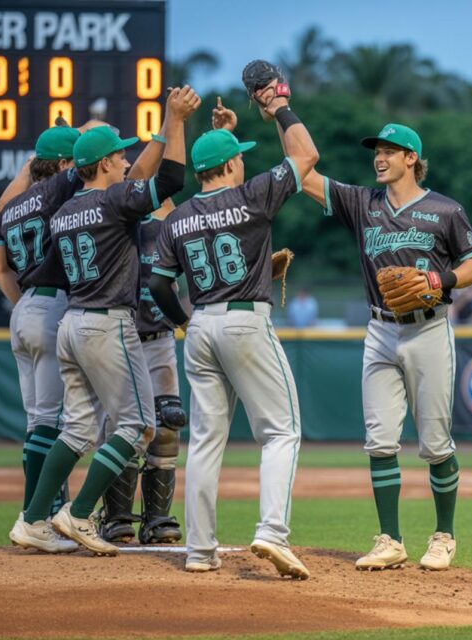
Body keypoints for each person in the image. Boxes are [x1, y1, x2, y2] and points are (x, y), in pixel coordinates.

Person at [8, 86, 199, 556]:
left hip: (70, 322)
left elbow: (39, 269)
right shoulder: (115, 202)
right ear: (105, 164)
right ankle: (76, 515)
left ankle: (32, 520)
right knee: (137, 426)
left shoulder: (65, 211)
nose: (124, 158)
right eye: (118, 154)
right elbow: (170, 179)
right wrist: (174, 122)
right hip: (107, 323)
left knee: (75, 430)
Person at [150, 74, 319, 576]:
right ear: (227, 165)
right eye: (238, 154)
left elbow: (159, 287)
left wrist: (185, 325)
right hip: (246, 320)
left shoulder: (176, 218)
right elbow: (306, 156)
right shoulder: (252, 196)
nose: (244, 159)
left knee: (205, 441)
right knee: (282, 431)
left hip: (199, 325)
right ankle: (271, 532)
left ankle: (199, 552)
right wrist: (280, 109)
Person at [300, 122, 472, 571]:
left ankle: (444, 536)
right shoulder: (362, 203)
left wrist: (438, 279)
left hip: (428, 329)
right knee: (379, 439)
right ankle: (391, 540)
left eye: (389, 151)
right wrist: (280, 111)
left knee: (436, 443)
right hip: (380, 330)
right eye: (376, 152)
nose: (379, 158)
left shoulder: (445, 210)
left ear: (411, 159)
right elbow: (303, 175)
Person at [0, 125, 89, 552]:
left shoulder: (10, 206)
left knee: (36, 422)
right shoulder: (56, 193)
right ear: (65, 164)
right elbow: (82, 168)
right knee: (50, 421)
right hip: (52, 303)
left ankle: (35, 514)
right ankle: (36, 516)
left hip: (24, 307)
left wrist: (25, 304)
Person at [97, 197, 187, 546]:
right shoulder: (114, 218)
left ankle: (157, 519)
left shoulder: (173, 218)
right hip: (121, 335)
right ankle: (117, 517)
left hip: (160, 335)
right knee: (123, 426)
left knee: (168, 423)